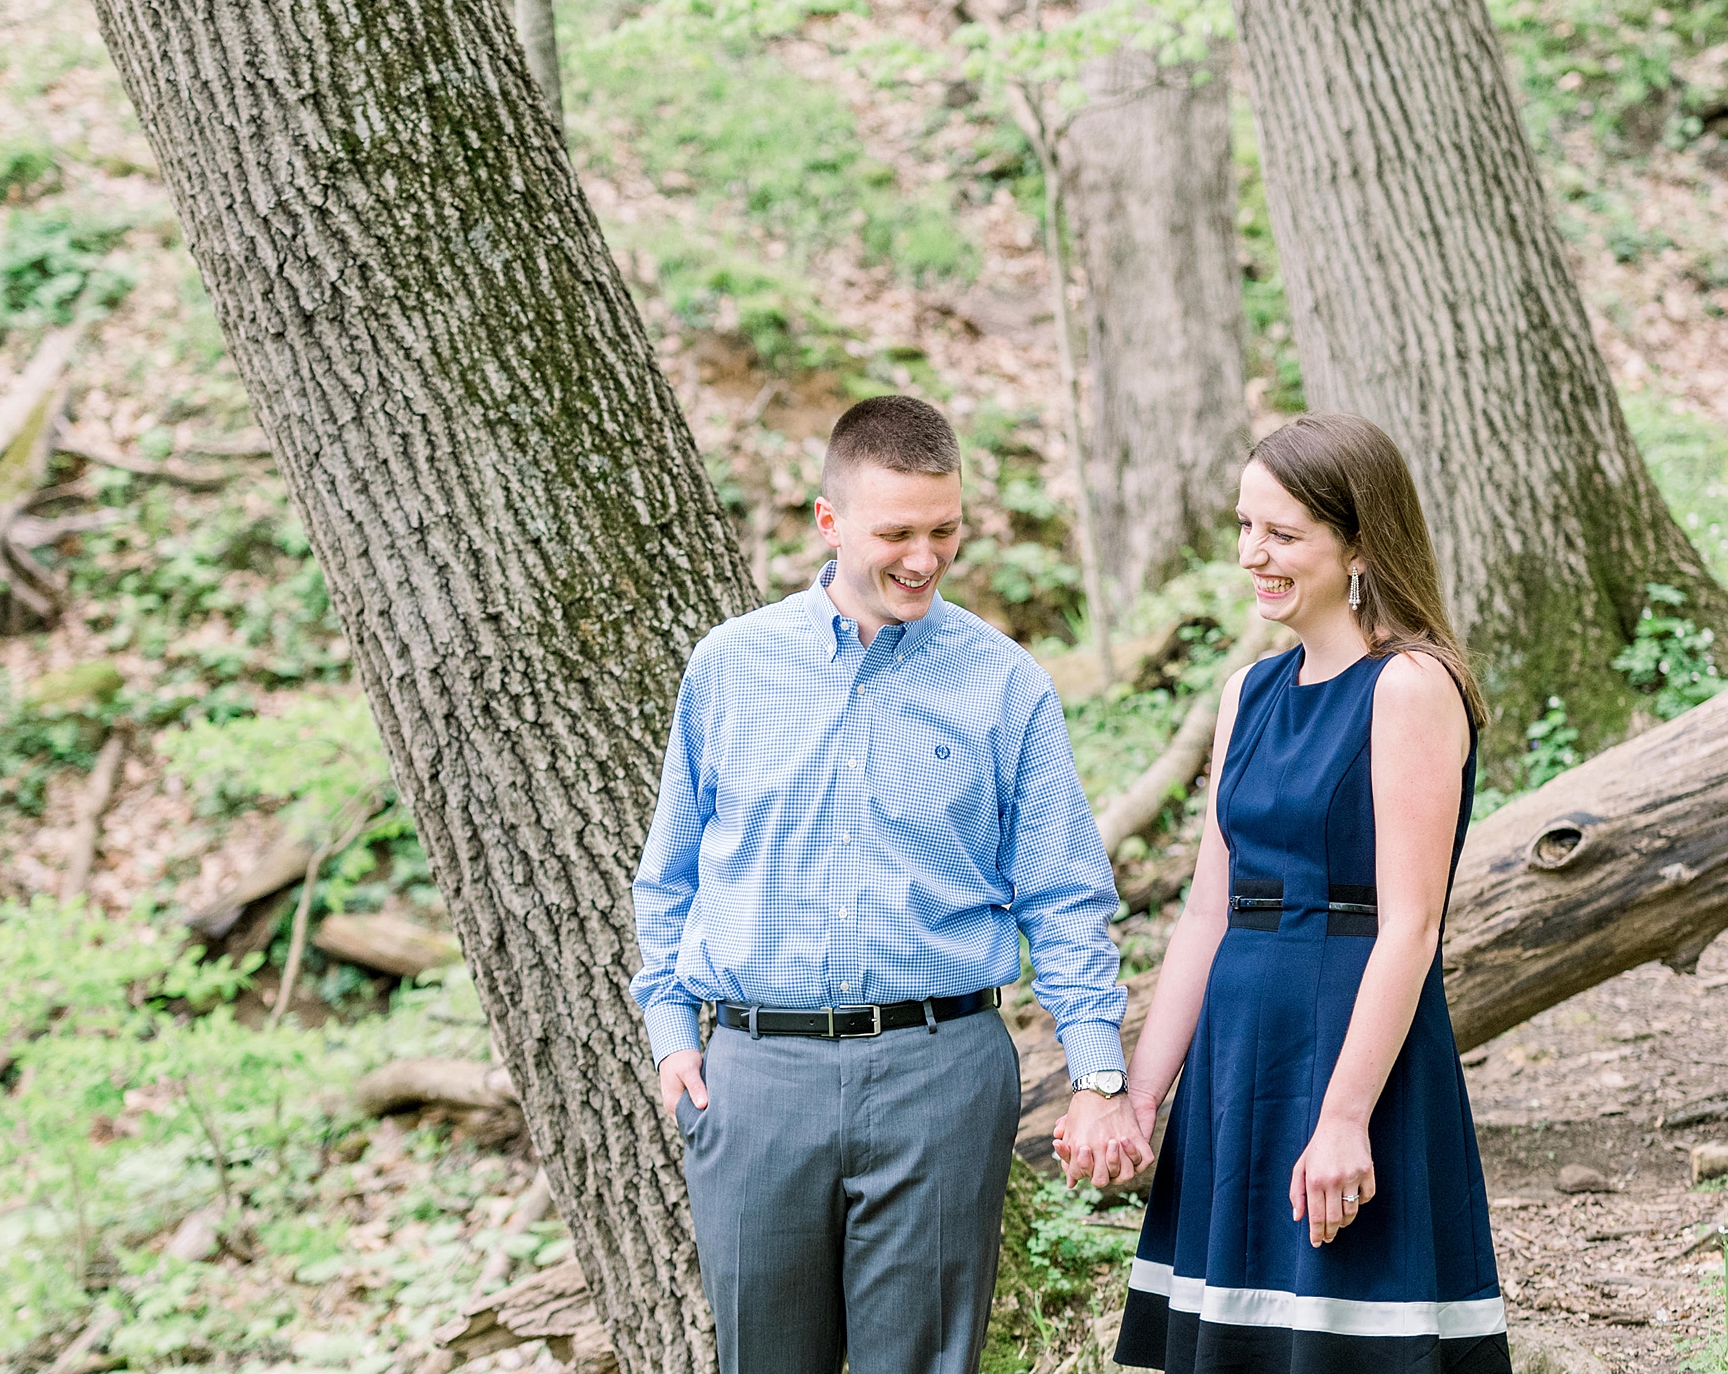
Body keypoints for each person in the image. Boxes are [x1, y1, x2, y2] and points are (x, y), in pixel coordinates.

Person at [632, 394, 1152, 1374]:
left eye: (945, 530)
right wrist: (670, 1035)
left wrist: (1096, 1073)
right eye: (897, 533)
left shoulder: (1005, 684)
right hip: (757, 1078)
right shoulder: (730, 669)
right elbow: (668, 875)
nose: (924, 558)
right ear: (829, 524)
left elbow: (1064, 897)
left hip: (939, 1074)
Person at [1109, 412, 1511, 1374]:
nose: (1255, 554)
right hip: (1237, 1051)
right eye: (1245, 527)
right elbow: (1207, 912)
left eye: (1283, 534)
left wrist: (1342, 1118)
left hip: (1348, 1044)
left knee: (1347, 1338)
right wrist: (1142, 1096)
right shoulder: (1247, 692)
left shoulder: (1410, 686)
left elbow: (1411, 927)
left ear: (1360, 542)